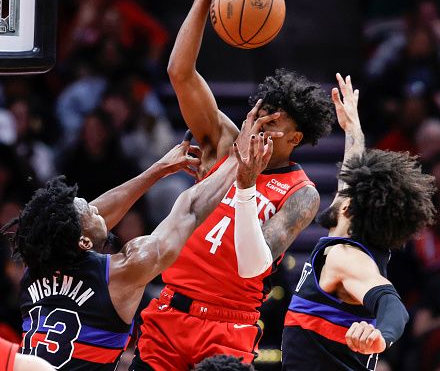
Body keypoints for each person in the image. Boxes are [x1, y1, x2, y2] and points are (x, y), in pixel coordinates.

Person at [132, 0, 335, 369]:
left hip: (230, 326)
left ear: (296, 138)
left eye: (279, 120)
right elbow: (180, 72)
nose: (267, 119)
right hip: (171, 314)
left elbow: (254, 265)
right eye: (267, 109)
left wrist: (245, 184)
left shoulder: (302, 194)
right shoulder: (224, 139)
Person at [3, 120, 271, 370]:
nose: (96, 207)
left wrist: (159, 169)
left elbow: (77, 223)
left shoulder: (35, 267)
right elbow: (189, 210)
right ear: (83, 241)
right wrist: (239, 157)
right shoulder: (123, 271)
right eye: (89, 210)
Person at [281, 75, 436, 370]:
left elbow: (392, 304)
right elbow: (351, 173)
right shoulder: (344, 232)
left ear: (350, 209)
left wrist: (381, 336)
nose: (340, 192)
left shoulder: (346, 258)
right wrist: (354, 131)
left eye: (346, 194)